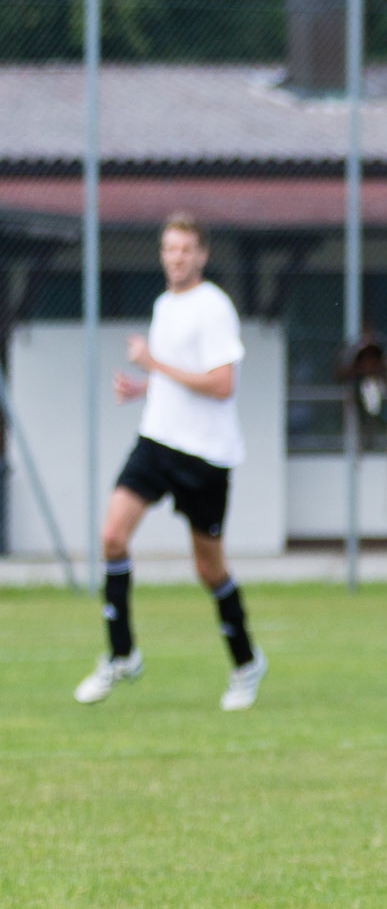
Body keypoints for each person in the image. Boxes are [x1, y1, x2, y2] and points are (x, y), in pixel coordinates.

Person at [74, 212, 268, 712]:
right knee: (112, 536)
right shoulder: (164, 304)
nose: (176, 258)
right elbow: (182, 378)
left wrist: (154, 365)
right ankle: (121, 654)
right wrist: (145, 387)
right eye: (168, 249)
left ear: (201, 255)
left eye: (185, 250)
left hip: (205, 455)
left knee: (209, 568)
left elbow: (221, 384)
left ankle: (246, 664)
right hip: (157, 440)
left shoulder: (214, 307)